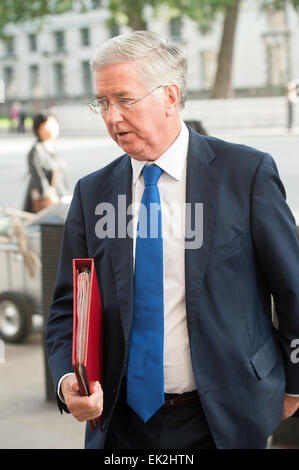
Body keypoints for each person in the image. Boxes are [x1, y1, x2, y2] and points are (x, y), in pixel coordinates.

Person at [46, 31, 299, 449]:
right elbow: (65, 308)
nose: (112, 118)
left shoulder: (246, 173)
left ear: (169, 96)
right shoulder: (92, 194)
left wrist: (293, 384)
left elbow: (291, 288)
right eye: (102, 103)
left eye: (125, 100)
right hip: (120, 424)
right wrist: (67, 379)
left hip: (225, 419)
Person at [23, 112, 68, 213]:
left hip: (60, 198)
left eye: (55, 124)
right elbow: (38, 177)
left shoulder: (54, 148)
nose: (54, 128)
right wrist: (49, 196)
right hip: (45, 204)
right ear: (39, 128)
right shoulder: (36, 150)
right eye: (49, 124)